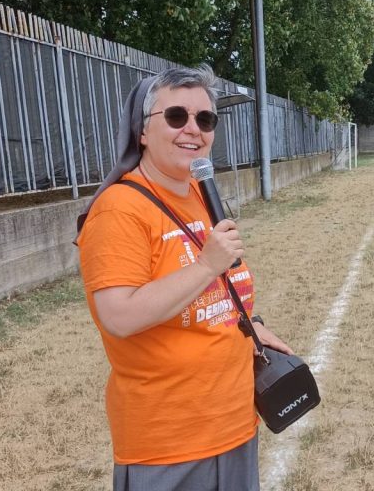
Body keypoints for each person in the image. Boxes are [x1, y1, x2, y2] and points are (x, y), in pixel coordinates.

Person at [76, 66, 292, 491]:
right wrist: (205, 266)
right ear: (141, 130)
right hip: (169, 443)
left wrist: (252, 327)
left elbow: (218, 293)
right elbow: (118, 316)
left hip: (233, 424)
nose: (193, 129)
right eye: (176, 116)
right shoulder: (119, 210)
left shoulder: (199, 192)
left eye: (205, 119)